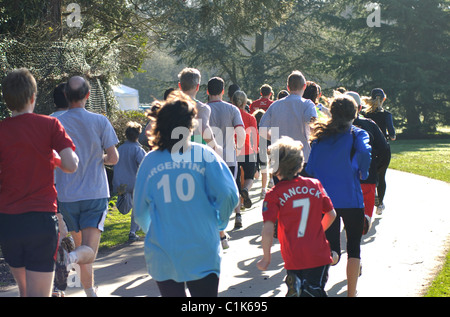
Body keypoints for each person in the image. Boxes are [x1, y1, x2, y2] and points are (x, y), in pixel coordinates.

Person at [133, 91, 239, 297]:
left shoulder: (150, 161)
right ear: (190, 126)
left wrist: (155, 231)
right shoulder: (204, 154)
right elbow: (229, 194)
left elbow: (139, 212)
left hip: (164, 252)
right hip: (202, 248)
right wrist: (220, 223)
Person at [0, 68, 78, 297]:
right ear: (33, 97)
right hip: (40, 220)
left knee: (25, 292)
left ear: (7, 100)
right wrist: (55, 159)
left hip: (8, 222)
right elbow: (71, 165)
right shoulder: (50, 125)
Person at [55, 76, 119, 297]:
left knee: (80, 248)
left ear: (65, 95)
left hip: (66, 195)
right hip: (95, 193)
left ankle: (89, 291)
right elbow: (114, 157)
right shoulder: (100, 121)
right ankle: (70, 260)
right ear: (88, 95)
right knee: (88, 251)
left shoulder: (56, 122)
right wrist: (98, 158)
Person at [305, 95, 372, 297]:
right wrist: (363, 172)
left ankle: (318, 275)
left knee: (332, 249)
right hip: (352, 198)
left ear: (332, 113)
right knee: (354, 248)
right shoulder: (357, 134)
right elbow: (365, 153)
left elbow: (311, 168)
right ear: (355, 113)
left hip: (326, 201)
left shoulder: (320, 137)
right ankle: (351, 294)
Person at [257, 136, 337, 297]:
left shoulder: (274, 194)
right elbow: (331, 214)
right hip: (318, 253)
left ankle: (300, 286)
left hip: (293, 255)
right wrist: (316, 230)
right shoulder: (315, 185)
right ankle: (309, 289)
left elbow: (267, 228)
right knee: (316, 288)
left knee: (298, 287)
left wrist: (266, 257)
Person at [345, 91, 389, 234]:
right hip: (367, 174)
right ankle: (362, 222)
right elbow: (384, 149)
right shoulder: (369, 125)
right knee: (364, 211)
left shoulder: (332, 127)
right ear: (359, 108)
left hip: (343, 176)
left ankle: (349, 222)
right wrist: (376, 167)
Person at [259, 70, 317, 175]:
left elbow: (262, 129)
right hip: (302, 156)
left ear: (288, 87)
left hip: (279, 156)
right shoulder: (308, 104)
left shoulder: (275, 106)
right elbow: (313, 125)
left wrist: (275, 139)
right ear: (304, 86)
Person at [207, 77, 246, 230]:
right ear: (223, 91)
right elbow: (241, 132)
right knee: (233, 187)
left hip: (208, 157)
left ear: (207, 91)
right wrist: (240, 147)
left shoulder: (202, 109)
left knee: (210, 190)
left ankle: (215, 222)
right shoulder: (232, 109)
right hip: (229, 155)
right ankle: (237, 215)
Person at [361, 88, 396, 215]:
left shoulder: (365, 114)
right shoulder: (386, 114)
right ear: (384, 99)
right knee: (382, 176)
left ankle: (370, 200)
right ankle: (380, 204)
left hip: (368, 147)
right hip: (383, 149)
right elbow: (392, 134)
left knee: (369, 175)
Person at [112, 121, 146, 242]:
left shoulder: (120, 149)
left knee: (126, 205)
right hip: (135, 183)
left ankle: (134, 226)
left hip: (120, 183)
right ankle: (133, 231)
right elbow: (144, 165)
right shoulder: (138, 150)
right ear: (138, 135)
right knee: (138, 208)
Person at [177, 68, 222, 156]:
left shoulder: (168, 107)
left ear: (179, 85)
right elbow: (204, 130)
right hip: (196, 156)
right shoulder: (202, 108)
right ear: (197, 87)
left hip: (171, 155)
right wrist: (216, 148)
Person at [232, 90, 258, 211]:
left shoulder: (230, 116)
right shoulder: (250, 118)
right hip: (248, 151)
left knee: (236, 179)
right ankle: (246, 190)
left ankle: (237, 211)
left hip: (234, 150)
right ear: (245, 102)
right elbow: (255, 136)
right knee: (249, 177)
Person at [252, 109, 269, 199]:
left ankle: (263, 189)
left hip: (254, 151)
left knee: (257, 172)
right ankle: (263, 189)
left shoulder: (253, 128)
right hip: (262, 150)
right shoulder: (264, 128)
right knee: (264, 171)